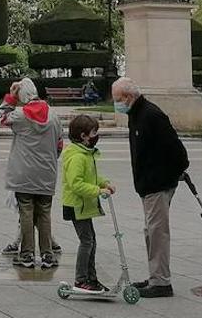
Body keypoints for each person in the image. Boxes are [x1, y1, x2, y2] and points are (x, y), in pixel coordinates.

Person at [114, 77, 189, 298]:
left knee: (157, 232)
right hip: (148, 184)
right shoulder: (136, 114)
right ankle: (156, 275)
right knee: (151, 231)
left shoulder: (151, 115)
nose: (116, 103)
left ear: (128, 97)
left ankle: (161, 282)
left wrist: (171, 174)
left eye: (118, 99)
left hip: (157, 183)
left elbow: (177, 151)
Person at [0, 78, 64, 269]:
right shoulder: (54, 115)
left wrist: (10, 97)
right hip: (46, 174)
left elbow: (2, 117)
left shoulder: (20, 115)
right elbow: (59, 144)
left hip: (24, 174)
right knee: (45, 213)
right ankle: (47, 255)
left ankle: (26, 255)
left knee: (26, 212)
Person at [61, 114, 115, 293]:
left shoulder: (85, 153)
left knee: (91, 241)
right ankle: (81, 279)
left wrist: (103, 183)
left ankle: (91, 278)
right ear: (83, 136)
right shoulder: (77, 156)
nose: (96, 135)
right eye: (94, 132)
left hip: (84, 205)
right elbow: (75, 183)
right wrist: (98, 191)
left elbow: (90, 176)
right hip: (77, 205)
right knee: (87, 241)